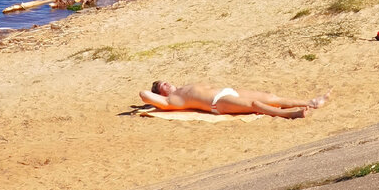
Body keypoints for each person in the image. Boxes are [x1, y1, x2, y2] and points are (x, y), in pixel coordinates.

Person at [139, 81, 329, 120]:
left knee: (270, 97)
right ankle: (290, 114)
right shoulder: (172, 100)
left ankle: (310, 103)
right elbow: (143, 94)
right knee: (255, 106)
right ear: (160, 94)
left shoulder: (181, 88)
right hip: (217, 103)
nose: (167, 84)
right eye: (162, 85)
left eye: (166, 81)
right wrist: (154, 98)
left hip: (228, 91)